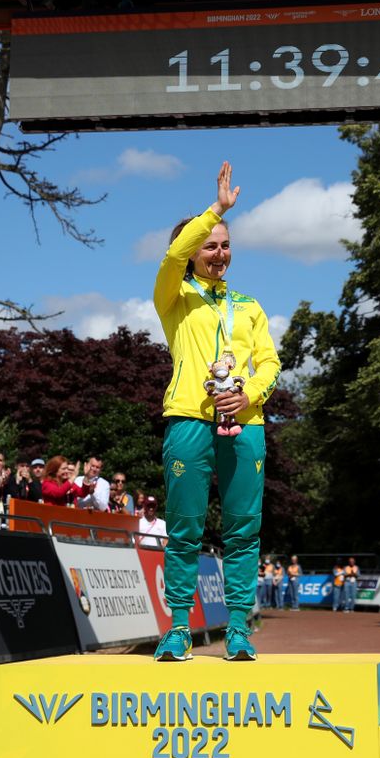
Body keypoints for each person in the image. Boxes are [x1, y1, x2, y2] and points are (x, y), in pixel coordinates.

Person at [151, 162, 281, 663]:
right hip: (188, 420)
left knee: (243, 530)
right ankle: (179, 628)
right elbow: (172, 255)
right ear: (193, 252)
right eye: (210, 245)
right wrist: (215, 212)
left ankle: (240, 630)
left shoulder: (249, 305)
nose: (219, 253)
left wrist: (250, 394)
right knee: (185, 526)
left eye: (225, 245)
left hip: (245, 424)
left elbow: (269, 362)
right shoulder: (174, 295)